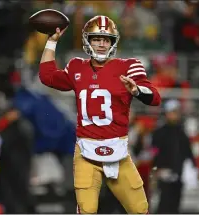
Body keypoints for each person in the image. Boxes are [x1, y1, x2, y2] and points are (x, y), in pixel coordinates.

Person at [39, 15, 161, 214]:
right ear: (88, 40)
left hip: (118, 150)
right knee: (87, 210)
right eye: (96, 39)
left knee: (140, 210)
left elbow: (154, 98)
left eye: (106, 40)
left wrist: (137, 90)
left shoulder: (128, 66)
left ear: (113, 42)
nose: (102, 44)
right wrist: (52, 42)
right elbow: (47, 76)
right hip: (86, 150)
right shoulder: (77, 66)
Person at [151, 100, 198, 214]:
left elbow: (187, 151)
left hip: (178, 173)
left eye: (177, 112)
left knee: (175, 203)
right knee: (164, 203)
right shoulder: (160, 132)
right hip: (164, 173)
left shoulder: (181, 132)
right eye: (173, 112)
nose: (175, 115)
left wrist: (193, 165)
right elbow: (154, 152)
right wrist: (157, 169)